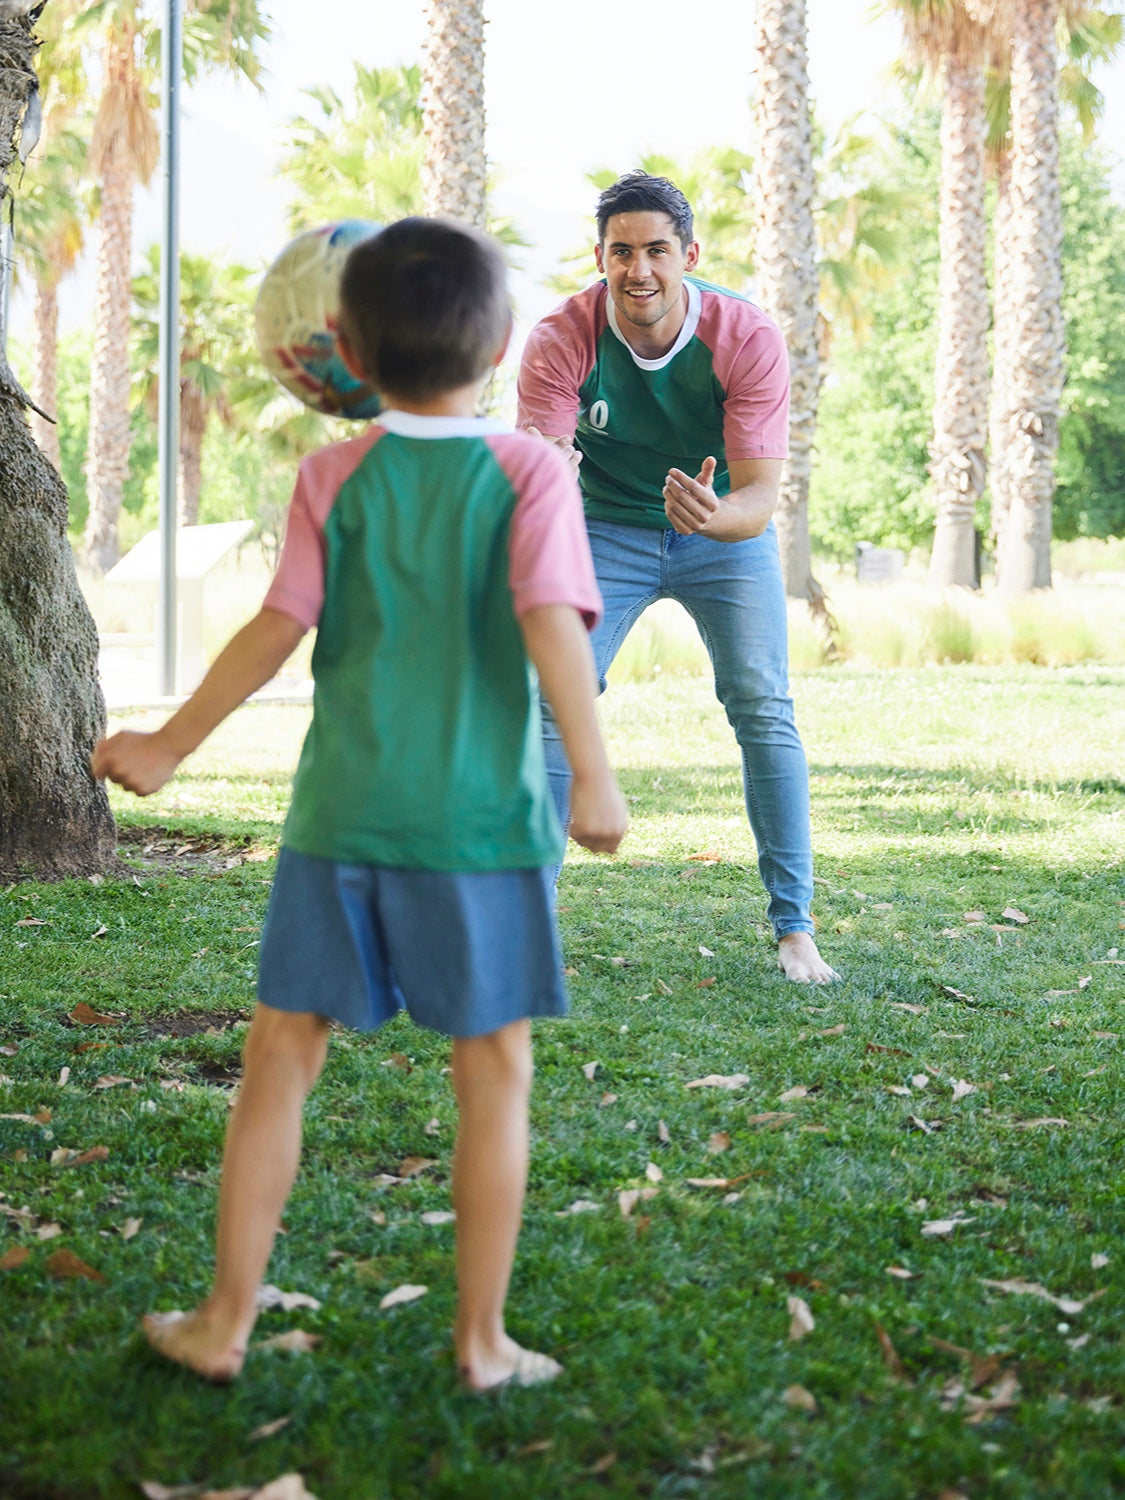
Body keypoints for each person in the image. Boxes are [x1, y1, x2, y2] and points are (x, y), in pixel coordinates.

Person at [92, 216, 627, 1391]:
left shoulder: (331, 474)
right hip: (481, 831)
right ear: (496, 343)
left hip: (339, 824)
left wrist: (172, 746)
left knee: (281, 1055)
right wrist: (590, 771)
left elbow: (274, 631)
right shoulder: (528, 469)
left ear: (343, 347)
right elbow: (548, 621)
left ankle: (224, 1321)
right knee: (494, 1070)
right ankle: (482, 1346)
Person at [517, 171, 837, 985]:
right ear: (600, 258)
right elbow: (544, 474)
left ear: (688, 255)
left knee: (762, 704)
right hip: (600, 529)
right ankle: (527, 923)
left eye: (656, 250)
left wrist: (709, 514)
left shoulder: (744, 336)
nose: (639, 270)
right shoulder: (561, 337)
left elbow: (760, 497)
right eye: (620, 252)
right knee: (555, 698)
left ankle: (794, 929)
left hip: (719, 530)